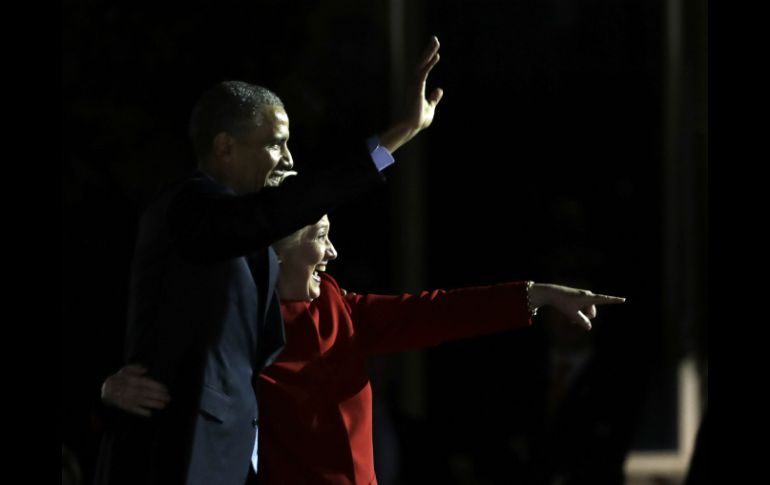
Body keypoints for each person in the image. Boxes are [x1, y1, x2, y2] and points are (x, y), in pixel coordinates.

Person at [94, 36, 444, 485]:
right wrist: (399, 135)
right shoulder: (187, 210)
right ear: (225, 148)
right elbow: (106, 304)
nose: (288, 159)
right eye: (276, 144)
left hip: (231, 463)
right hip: (176, 458)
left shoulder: (249, 240)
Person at [105, 213, 625, 484]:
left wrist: (535, 294)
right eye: (321, 235)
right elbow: (173, 387)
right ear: (276, 252)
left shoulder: (340, 307)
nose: (333, 251)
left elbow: (436, 311)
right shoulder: (233, 325)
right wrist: (108, 386)